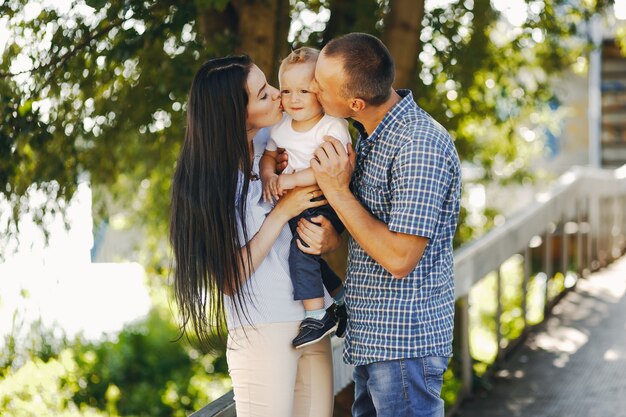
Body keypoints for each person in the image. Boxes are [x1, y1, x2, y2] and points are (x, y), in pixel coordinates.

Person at [169, 55, 342, 417]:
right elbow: (229, 279)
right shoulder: (211, 183)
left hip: (313, 317)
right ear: (234, 114)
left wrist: (328, 239)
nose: (279, 95)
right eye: (264, 94)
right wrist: (281, 212)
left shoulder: (277, 144)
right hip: (263, 330)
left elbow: (328, 194)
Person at [308, 33, 462, 417]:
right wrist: (333, 233)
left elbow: (399, 257)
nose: (312, 89)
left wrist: (336, 190)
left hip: (404, 346)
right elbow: (371, 218)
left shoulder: (419, 145)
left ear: (354, 103)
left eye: (321, 86)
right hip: (374, 339)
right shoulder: (373, 137)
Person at [260, 47, 351, 349]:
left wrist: (290, 180)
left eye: (303, 91)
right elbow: (268, 156)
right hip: (300, 202)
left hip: (324, 201)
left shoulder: (331, 126)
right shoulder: (281, 127)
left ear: (320, 93)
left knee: (301, 252)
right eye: (286, 91)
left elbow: (325, 171)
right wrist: (269, 175)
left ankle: (317, 315)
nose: (293, 99)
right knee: (302, 251)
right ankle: (340, 298)